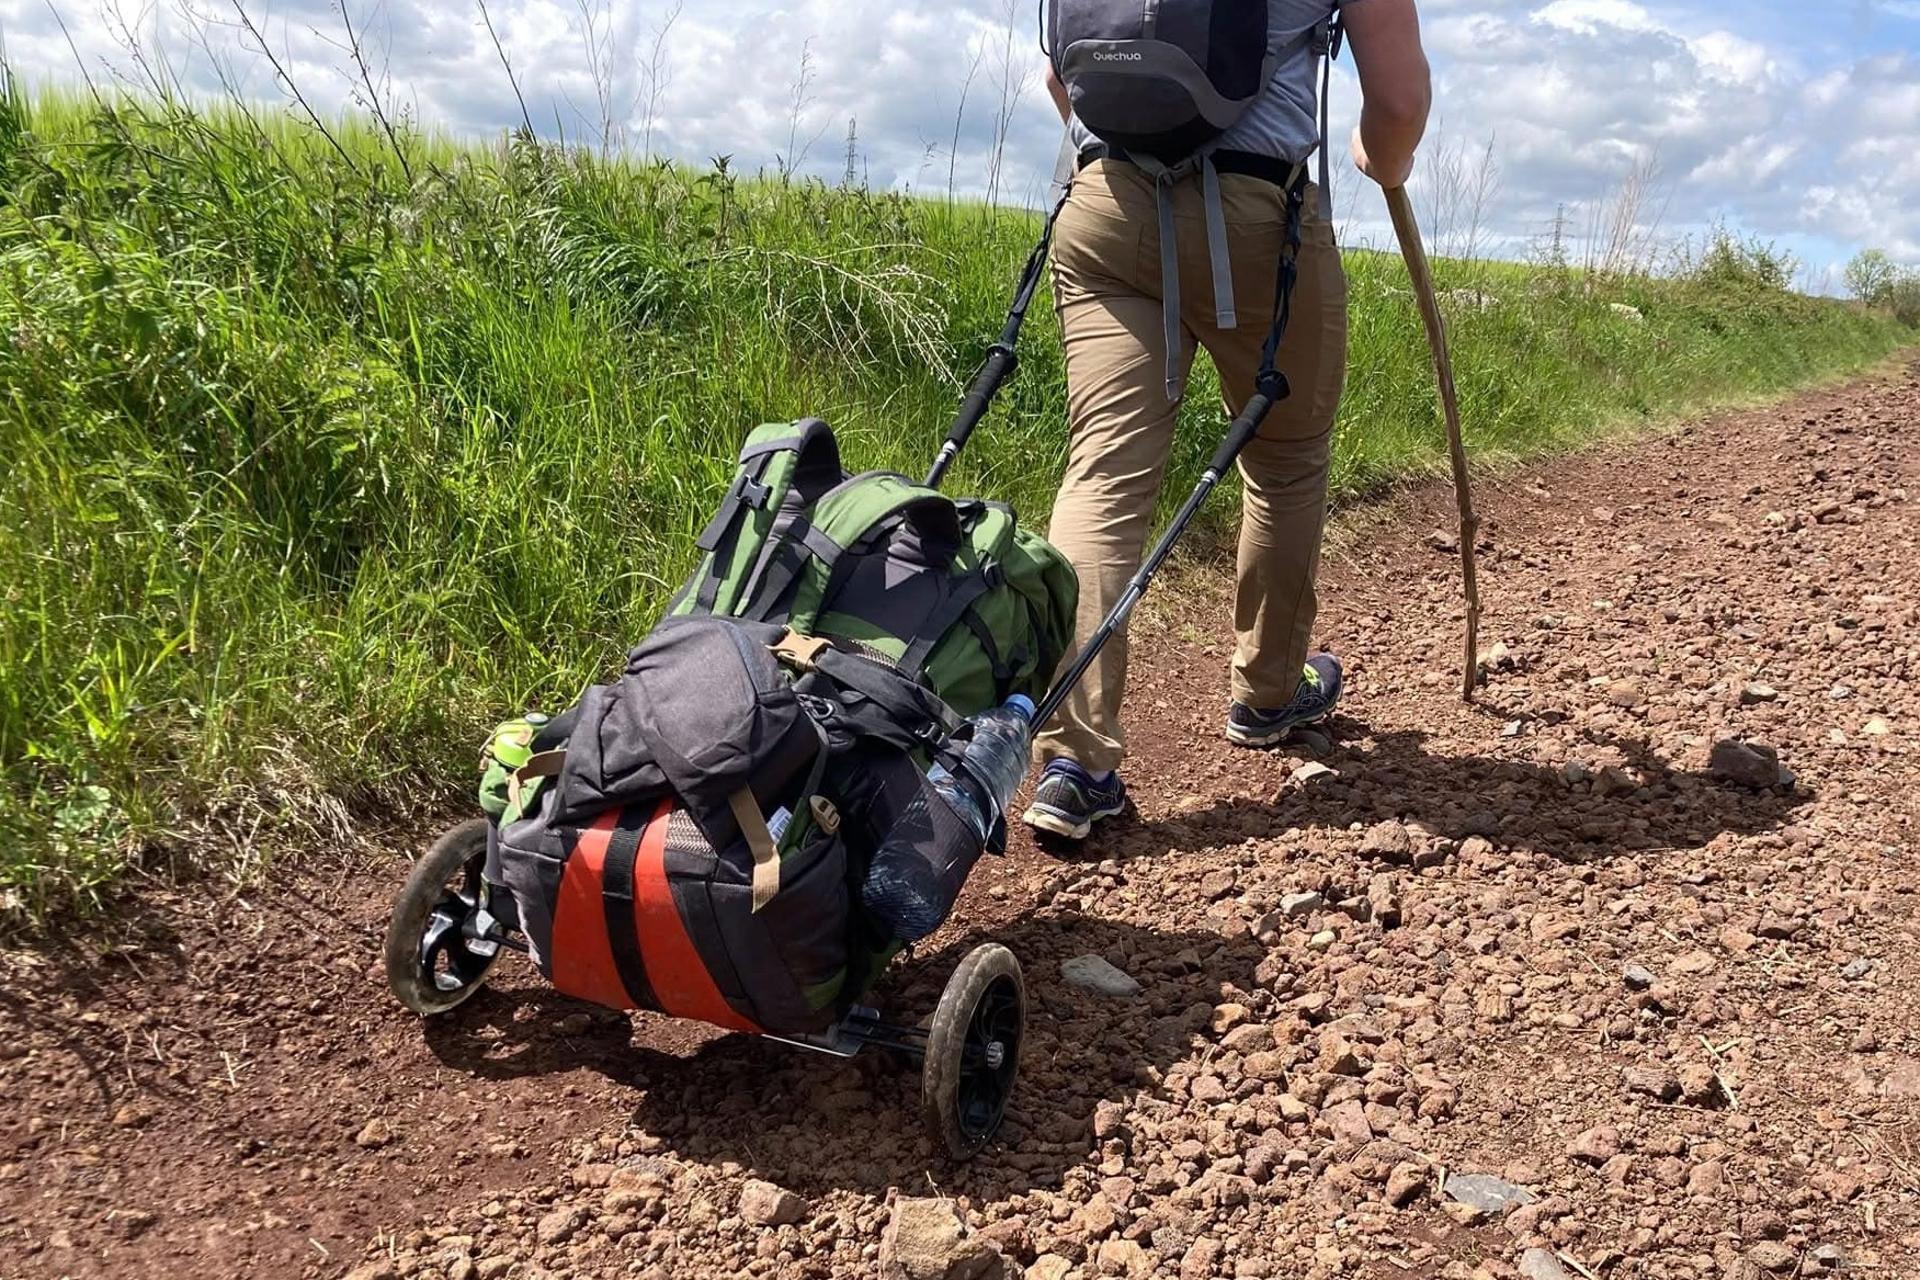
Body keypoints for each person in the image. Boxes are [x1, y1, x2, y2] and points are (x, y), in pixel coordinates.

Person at [1023, 0, 1432, 840]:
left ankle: (1075, 761)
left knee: (1103, 473)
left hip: (1104, 205)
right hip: (1260, 218)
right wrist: (1377, 159)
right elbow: (1395, 105)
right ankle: (1267, 695)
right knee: (1286, 462)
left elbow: (1061, 72)